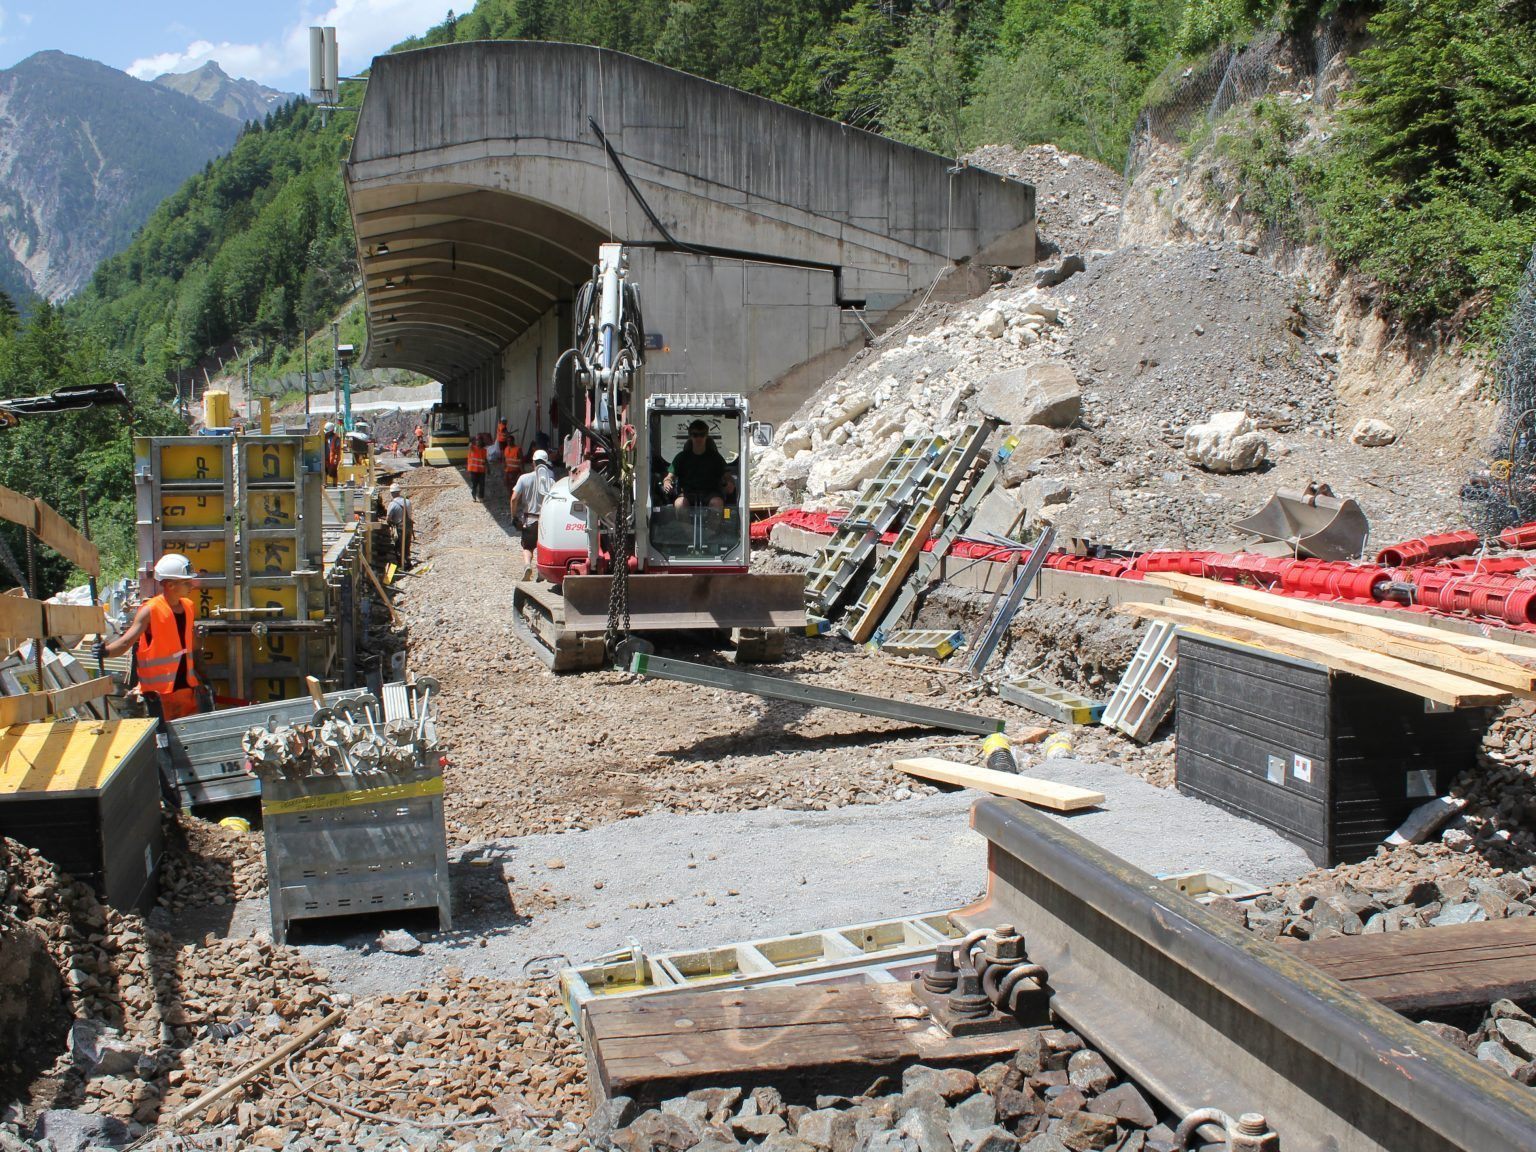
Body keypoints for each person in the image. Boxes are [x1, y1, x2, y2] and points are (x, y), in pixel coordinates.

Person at [96, 553, 205, 722]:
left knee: (189, 734)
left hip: (186, 689)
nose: (191, 585)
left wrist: (203, 674)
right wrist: (106, 651)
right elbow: (126, 642)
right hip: (159, 694)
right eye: (186, 582)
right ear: (170, 585)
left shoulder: (188, 607)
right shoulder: (150, 610)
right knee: (163, 736)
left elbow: (192, 645)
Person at [663, 419, 736, 511]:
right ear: (690, 436)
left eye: (702, 435)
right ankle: (684, 521)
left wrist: (729, 483)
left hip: (711, 493)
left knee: (717, 503)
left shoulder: (715, 458)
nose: (698, 438)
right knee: (679, 503)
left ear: (706, 436)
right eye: (695, 435)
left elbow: (727, 476)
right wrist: (667, 482)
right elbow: (669, 477)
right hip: (687, 493)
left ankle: (713, 521)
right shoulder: (681, 457)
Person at [509, 448, 555, 579]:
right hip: (545, 521)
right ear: (546, 463)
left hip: (529, 520)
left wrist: (513, 517)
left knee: (528, 547)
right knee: (543, 547)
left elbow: (514, 499)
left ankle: (527, 565)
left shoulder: (524, 478)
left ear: (533, 462)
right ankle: (541, 572)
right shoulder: (551, 482)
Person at [386, 483, 413, 569]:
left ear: (392, 493)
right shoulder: (407, 501)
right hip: (409, 527)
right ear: (399, 491)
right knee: (407, 546)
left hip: (400, 528)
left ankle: (401, 565)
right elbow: (409, 514)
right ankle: (408, 563)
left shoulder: (392, 504)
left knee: (399, 547)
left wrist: (390, 523)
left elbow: (388, 518)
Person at [466, 433, 488, 500]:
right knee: (474, 484)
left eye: (479, 440)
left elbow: (485, 459)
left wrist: (488, 467)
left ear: (482, 441)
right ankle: (474, 495)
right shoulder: (472, 448)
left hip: (481, 470)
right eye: (477, 440)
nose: (478, 442)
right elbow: (470, 445)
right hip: (473, 470)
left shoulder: (484, 450)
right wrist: (472, 439)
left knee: (482, 484)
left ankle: (481, 497)